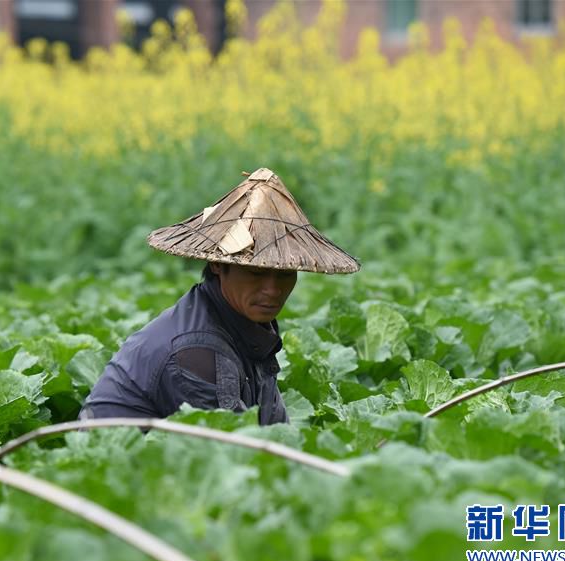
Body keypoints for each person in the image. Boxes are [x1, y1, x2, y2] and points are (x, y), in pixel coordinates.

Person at [78, 168, 360, 425]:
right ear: (218, 264)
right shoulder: (197, 350)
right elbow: (232, 452)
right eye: (256, 273)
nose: (273, 290)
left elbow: (276, 432)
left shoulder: (249, 328)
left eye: (285, 274)